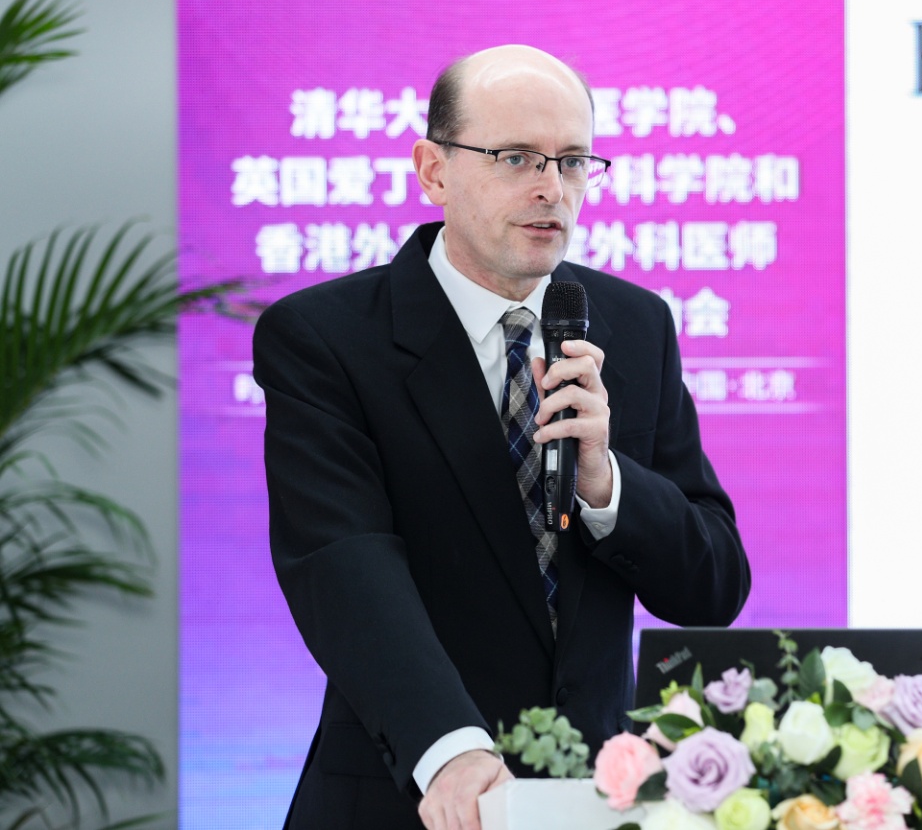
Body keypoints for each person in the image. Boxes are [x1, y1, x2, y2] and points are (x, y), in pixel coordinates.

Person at [253, 44, 750, 830]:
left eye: (574, 161)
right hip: (410, 794)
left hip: (595, 801)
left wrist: (606, 484)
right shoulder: (327, 338)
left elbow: (713, 587)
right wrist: (448, 747)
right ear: (434, 170)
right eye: (517, 158)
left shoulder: (635, 325)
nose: (552, 188)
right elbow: (343, 565)